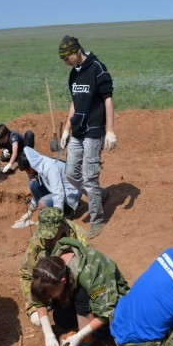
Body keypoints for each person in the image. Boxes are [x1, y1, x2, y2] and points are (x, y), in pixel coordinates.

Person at [58, 35, 117, 239]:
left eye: (67, 58)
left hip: (94, 130)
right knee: (70, 173)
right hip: (78, 130)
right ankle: (99, 194)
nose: (66, 62)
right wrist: (66, 129)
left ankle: (97, 219)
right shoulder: (73, 74)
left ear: (77, 51)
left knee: (90, 177)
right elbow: (75, 102)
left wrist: (110, 130)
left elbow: (107, 100)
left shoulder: (97, 69)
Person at [32, 237, 128, 346]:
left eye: (51, 294)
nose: (49, 298)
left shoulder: (90, 275)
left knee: (82, 296)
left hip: (110, 297)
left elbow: (106, 311)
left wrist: (81, 336)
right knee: (63, 320)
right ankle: (91, 328)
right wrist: (48, 333)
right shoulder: (48, 270)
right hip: (83, 291)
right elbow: (39, 299)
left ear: (63, 281)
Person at [19, 207, 89, 326]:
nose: (47, 240)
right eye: (44, 236)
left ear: (62, 228)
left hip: (72, 286)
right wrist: (32, 309)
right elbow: (26, 273)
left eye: (51, 237)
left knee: (69, 319)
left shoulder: (79, 238)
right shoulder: (39, 238)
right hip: (53, 284)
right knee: (62, 320)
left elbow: (88, 273)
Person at [17, 146, 81, 221]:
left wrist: (58, 217)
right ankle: (56, 210)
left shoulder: (49, 168)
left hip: (70, 195)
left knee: (42, 203)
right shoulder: (39, 165)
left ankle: (67, 212)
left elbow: (58, 193)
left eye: (27, 170)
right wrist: (30, 211)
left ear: (31, 165)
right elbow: (37, 192)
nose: (27, 173)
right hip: (62, 191)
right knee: (33, 184)